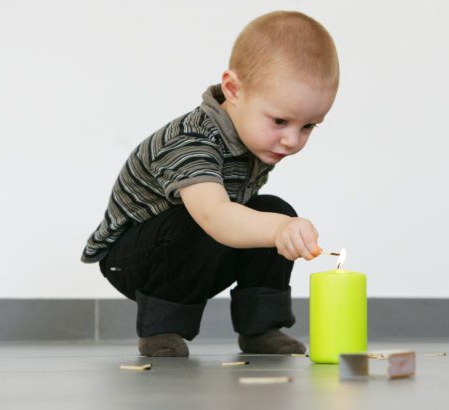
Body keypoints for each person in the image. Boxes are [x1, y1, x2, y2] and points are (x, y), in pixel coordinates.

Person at [81, 10, 339, 357]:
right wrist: (278, 230)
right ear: (233, 90)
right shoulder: (192, 141)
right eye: (280, 120)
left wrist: (280, 225)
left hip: (192, 250)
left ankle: (260, 328)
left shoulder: (254, 141)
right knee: (229, 220)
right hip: (132, 261)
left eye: (308, 126)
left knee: (274, 211)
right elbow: (214, 216)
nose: (292, 140)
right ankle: (162, 328)